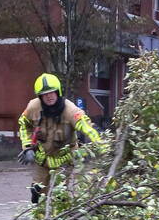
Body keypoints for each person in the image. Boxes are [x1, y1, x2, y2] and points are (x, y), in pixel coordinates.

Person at [17, 73, 101, 203]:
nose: (49, 96)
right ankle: (40, 206)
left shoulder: (70, 110)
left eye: (52, 92)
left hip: (64, 160)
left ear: (58, 92)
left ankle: (60, 207)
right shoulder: (33, 107)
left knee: (60, 194)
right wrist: (27, 147)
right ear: (40, 96)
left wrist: (101, 144)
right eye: (45, 94)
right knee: (38, 191)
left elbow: (86, 126)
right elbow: (24, 124)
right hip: (43, 158)